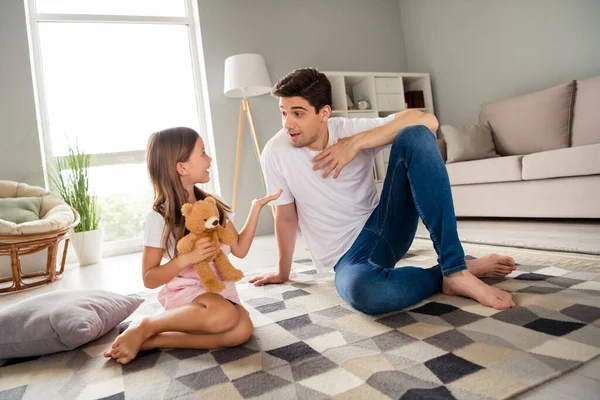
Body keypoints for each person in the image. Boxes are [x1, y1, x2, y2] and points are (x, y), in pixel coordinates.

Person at [249, 68, 517, 315]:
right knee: (365, 292)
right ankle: (451, 274)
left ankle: (455, 268)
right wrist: (283, 272)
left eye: (298, 113)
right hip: (348, 257)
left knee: (416, 134)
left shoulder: (349, 130)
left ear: (324, 113)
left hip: (387, 225)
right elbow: (284, 216)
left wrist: (355, 143)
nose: (287, 124)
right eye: (283, 112)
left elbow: (428, 120)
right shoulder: (275, 153)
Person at [104, 127, 281, 364]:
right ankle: (146, 324)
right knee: (224, 315)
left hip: (218, 290)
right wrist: (186, 258)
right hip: (187, 294)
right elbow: (149, 277)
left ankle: (154, 340)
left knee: (242, 330)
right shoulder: (159, 218)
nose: (209, 159)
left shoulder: (211, 204)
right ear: (182, 167)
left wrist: (256, 208)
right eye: (203, 153)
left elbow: (238, 248)